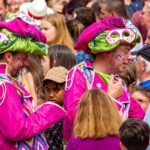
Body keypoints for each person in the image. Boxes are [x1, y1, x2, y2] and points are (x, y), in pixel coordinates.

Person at [64, 16, 145, 141]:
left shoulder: (119, 82)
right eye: (125, 51)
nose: (130, 57)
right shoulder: (79, 75)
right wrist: (110, 98)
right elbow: (78, 119)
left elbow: (139, 117)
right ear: (108, 51)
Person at [0, 14, 66, 149]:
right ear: (8, 57)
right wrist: (48, 111)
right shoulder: (5, 85)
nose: (25, 63)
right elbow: (16, 130)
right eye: (22, 59)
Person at [38, 66, 68, 150]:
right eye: (48, 90)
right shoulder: (42, 113)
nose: (51, 95)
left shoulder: (71, 115)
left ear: (66, 88)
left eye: (56, 90)